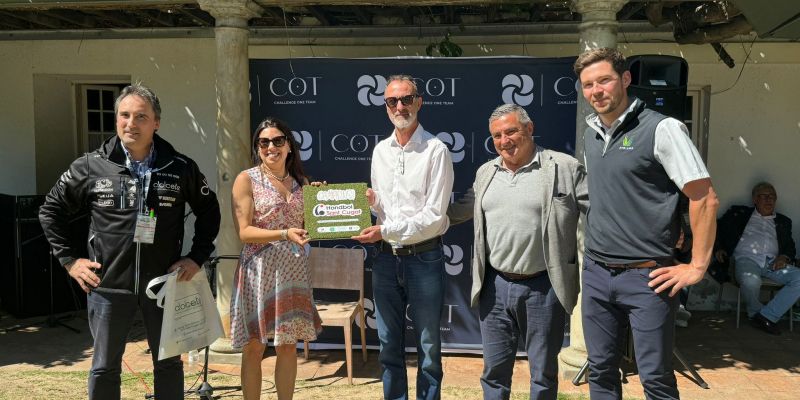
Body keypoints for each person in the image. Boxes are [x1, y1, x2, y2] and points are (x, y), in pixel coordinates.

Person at [39, 84, 221, 400]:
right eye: (124, 115)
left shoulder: (179, 167)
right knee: (105, 367)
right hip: (107, 285)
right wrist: (70, 261)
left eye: (140, 116)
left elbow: (209, 210)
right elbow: (51, 209)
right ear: (116, 120)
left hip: (162, 285)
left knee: (167, 364)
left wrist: (197, 256)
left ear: (156, 123)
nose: (130, 123)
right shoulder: (91, 165)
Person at [574, 48, 720, 400]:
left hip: (648, 277)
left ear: (625, 79)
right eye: (588, 84)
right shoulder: (591, 134)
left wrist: (697, 266)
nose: (597, 91)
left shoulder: (663, 128)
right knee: (602, 372)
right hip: (596, 272)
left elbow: (704, 197)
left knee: (655, 379)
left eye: (604, 80)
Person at [448, 104, 588, 400]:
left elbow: (599, 215)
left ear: (529, 128)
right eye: (497, 136)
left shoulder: (563, 167)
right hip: (495, 288)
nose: (504, 141)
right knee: (494, 373)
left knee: (542, 374)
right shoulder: (486, 172)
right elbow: (458, 211)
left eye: (511, 131)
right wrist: (399, 220)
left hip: (544, 287)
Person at [352, 74, 454, 400]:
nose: (399, 106)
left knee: (428, 349)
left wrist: (385, 230)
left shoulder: (436, 150)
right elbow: (387, 208)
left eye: (406, 99)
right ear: (385, 106)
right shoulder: (380, 151)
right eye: (392, 101)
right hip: (384, 259)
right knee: (387, 346)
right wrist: (368, 203)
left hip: (424, 258)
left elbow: (434, 217)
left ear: (419, 102)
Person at [229, 117, 322, 400]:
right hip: (259, 271)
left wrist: (320, 202)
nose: (272, 147)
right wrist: (283, 233)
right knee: (255, 346)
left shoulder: (301, 182)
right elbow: (244, 232)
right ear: (258, 148)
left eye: (278, 141)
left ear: (289, 146)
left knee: (288, 345)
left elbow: (307, 229)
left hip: (293, 272)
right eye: (264, 142)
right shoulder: (246, 179)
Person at [714, 182, 800, 335]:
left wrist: (784, 257)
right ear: (754, 199)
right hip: (746, 259)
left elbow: (790, 246)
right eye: (764, 196)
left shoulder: (783, 221)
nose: (769, 200)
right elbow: (717, 228)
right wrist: (718, 248)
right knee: (751, 281)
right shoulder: (739, 214)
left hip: (772, 263)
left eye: (772, 196)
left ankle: (765, 316)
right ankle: (759, 314)